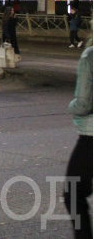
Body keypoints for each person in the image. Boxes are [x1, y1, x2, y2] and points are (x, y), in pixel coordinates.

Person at [64, 41, 92, 238]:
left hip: (91, 136)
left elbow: (83, 104)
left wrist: (70, 107)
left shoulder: (90, 56)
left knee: (73, 193)